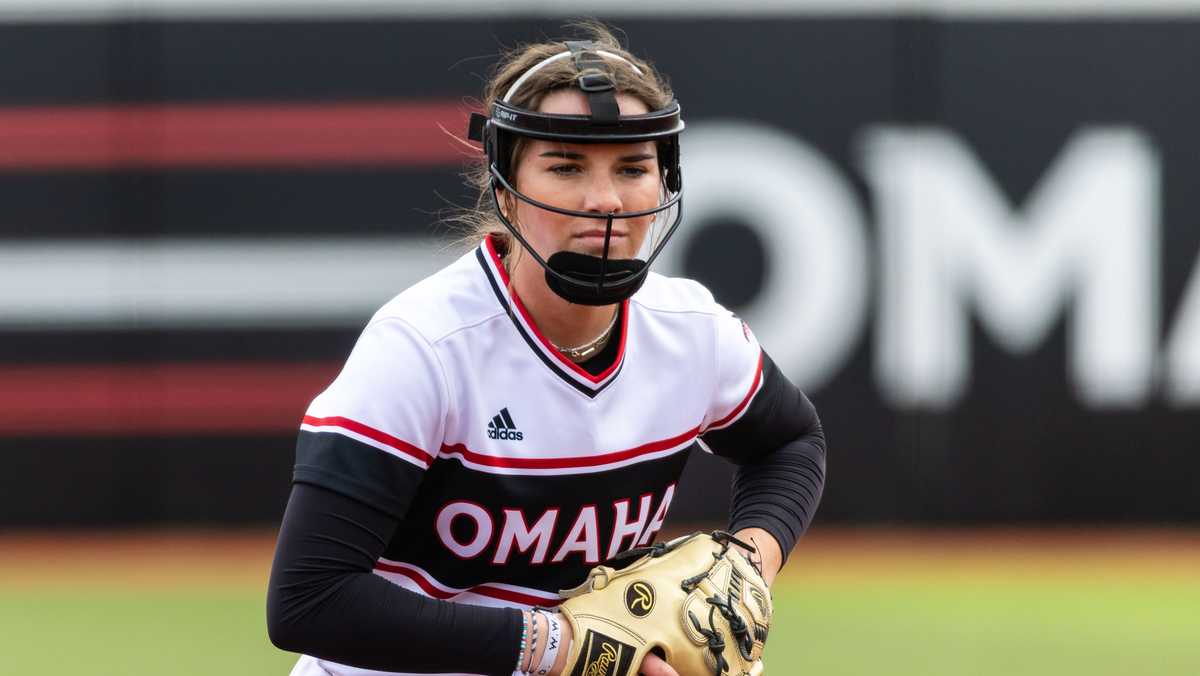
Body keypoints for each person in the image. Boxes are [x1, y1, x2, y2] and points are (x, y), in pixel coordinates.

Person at [266, 23, 826, 676]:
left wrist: (747, 565)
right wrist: (564, 646)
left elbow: (791, 440)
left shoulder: (691, 330)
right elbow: (309, 600)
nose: (605, 201)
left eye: (633, 167)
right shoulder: (425, 347)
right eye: (565, 166)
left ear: (664, 182)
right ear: (504, 185)